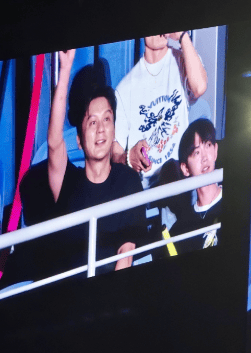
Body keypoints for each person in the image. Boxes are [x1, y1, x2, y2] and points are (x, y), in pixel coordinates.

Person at [47, 49, 147, 274]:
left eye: (107, 119)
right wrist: (65, 70)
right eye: (92, 122)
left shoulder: (128, 181)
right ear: (79, 140)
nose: (101, 129)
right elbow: (53, 142)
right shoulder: (67, 183)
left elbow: (126, 253)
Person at [111, 32, 207, 191]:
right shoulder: (125, 88)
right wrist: (128, 158)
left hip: (181, 185)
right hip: (147, 192)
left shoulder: (182, 61)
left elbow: (200, 87)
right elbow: (114, 155)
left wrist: (182, 36)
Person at [168, 118, 222, 254]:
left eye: (208, 145)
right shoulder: (180, 229)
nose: (205, 157)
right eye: (197, 152)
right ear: (185, 168)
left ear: (215, 151)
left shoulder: (235, 199)